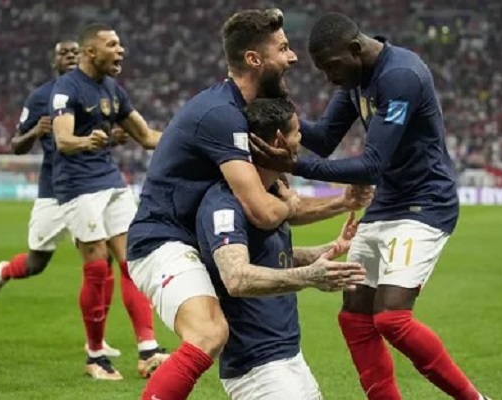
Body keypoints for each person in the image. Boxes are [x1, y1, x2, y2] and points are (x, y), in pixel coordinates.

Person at [126, 9, 372, 400]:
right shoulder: (222, 116)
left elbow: (270, 213)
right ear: (254, 59)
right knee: (209, 333)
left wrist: (338, 205)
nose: (293, 57)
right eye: (283, 48)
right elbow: (261, 212)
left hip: (195, 238)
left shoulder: (245, 113)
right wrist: (294, 204)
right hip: (162, 239)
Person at [249, 12, 491, 400]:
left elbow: (372, 165)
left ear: (355, 49)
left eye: (332, 67)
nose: (330, 78)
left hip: (424, 204)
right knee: (355, 317)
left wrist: (293, 165)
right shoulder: (356, 76)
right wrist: (273, 108)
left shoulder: (400, 76)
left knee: (392, 318)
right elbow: (324, 138)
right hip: (388, 204)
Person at [198, 97, 368, 400]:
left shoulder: (272, 195)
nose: (301, 138)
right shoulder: (225, 203)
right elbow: (236, 277)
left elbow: (276, 258)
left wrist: (333, 248)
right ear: (279, 140)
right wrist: (309, 277)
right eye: (297, 131)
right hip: (256, 366)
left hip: (288, 355)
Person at [0, 40, 121, 356]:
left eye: (74, 52)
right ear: (53, 62)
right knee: (36, 263)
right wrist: (35, 131)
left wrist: (115, 138)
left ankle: (97, 340)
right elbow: (16, 145)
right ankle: (4, 271)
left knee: (103, 261)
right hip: (54, 191)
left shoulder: (97, 91)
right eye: (62, 53)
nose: (69, 56)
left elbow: (103, 137)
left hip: (90, 187)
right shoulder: (40, 97)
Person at [50, 23, 167, 380]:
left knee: (134, 261)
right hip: (78, 186)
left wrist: (190, 138)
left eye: (120, 44)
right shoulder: (66, 87)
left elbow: (146, 136)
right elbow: (62, 140)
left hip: (110, 180)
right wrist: (85, 141)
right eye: (113, 45)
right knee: (98, 268)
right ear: (90, 51)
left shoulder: (113, 89)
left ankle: (148, 350)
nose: (121, 50)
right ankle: (95, 356)